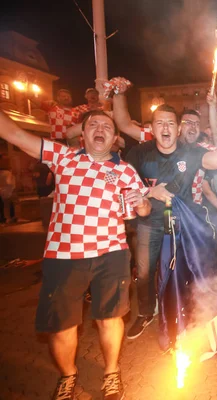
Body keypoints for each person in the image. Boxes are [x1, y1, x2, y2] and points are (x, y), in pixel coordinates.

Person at [0, 108, 151, 399]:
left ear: (115, 137)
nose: (99, 128)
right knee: (62, 325)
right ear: (82, 135)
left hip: (112, 253)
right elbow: (15, 134)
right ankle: (68, 375)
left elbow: (141, 211)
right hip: (64, 255)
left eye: (106, 126)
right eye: (92, 124)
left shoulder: (126, 170)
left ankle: (111, 372)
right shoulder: (63, 157)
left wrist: (142, 204)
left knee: (110, 318)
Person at [111, 80, 217, 340]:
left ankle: (188, 312)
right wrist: (149, 191)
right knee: (143, 272)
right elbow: (121, 188)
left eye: (171, 124)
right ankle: (145, 313)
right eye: (160, 123)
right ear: (151, 129)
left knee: (186, 268)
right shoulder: (139, 153)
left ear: (178, 129)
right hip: (149, 222)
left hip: (183, 223)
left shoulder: (192, 152)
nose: (166, 128)